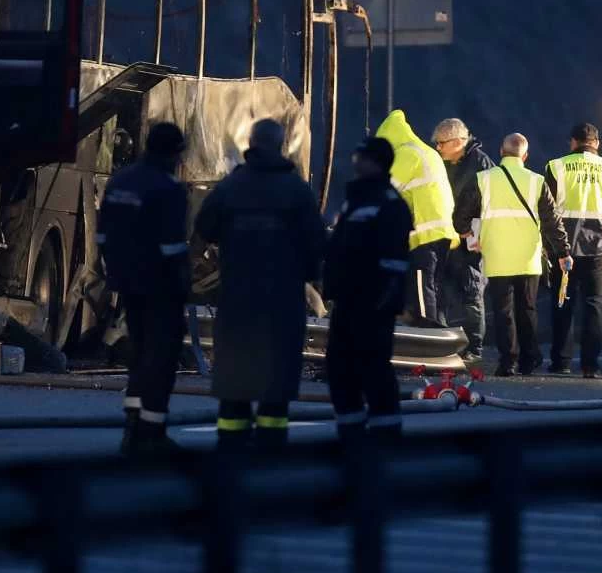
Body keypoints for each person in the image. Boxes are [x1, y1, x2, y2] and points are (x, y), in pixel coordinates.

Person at [194, 119, 326, 452]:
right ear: (281, 145)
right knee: (277, 376)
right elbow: (316, 247)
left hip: (238, 296)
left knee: (236, 375)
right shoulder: (297, 191)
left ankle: (232, 444)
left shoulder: (231, 187)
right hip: (282, 300)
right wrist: (307, 278)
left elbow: (205, 226)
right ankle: (271, 445)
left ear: (251, 144)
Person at [96, 122, 190, 455]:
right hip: (160, 286)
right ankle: (152, 432)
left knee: (139, 353)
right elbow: (173, 248)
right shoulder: (169, 189)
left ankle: (132, 426)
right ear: (175, 153)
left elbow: (103, 235)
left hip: (127, 282)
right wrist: (183, 284)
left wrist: (117, 271)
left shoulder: (120, 181)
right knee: (161, 358)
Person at [454, 133, 571, 376]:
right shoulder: (537, 182)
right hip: (528, 257)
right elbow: (552, 221)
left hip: (497, 256)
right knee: (527, 309)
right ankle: (530, 360)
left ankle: (508, 362)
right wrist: (563, 252)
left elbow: (460, 216)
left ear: (501, 151)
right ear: (525, 155)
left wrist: (467, 234)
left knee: (503, 311)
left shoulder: (483, 179)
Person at [323, 137, 412, 440]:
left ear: (374, 161)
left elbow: (394, 263)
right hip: (348, 301)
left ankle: (385, 437)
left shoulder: (388, 203)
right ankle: (351, 434)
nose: (355, 161)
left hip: (371, 304)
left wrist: (382, 301)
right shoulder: (357, 200)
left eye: (360, 156)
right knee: (340, 370)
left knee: (373, 369)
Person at [545, 123, 602, 378]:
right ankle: (590, 365)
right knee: (595, 306)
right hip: (599, 247)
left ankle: (561, 362)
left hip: (564, 248)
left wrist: (551, 244)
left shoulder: (556, 166)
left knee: (563, 302)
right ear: (597, 143)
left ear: (573, 142)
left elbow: (547, 209)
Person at [374, 110, 458, 326]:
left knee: (421, 289)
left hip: (425, 235)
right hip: (443, 233)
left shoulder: (407, 154)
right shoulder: (427, 152)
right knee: (433, 287)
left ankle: (426, 338)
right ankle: (439, 333)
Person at [431, 117, 494, 358]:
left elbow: (487, 202)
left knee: (471, 294)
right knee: (441, 293)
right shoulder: (444, 163)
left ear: (458, 141)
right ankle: (444, 346)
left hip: (470, 241)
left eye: (441, 143)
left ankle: (473, 349)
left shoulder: (481, 164)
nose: (438, 147)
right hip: (448, 237)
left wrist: (471, 231)